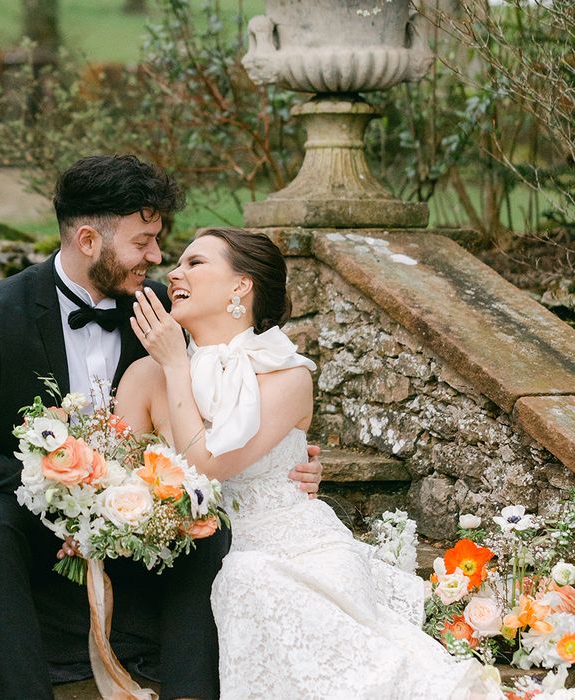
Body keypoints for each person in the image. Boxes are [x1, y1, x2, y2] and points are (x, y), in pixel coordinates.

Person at [0, 155, 323, 700]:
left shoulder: (164, 307)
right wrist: (68, 488)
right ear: (89, 240)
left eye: (159, 242)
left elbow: (231, 398)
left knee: (206, 532)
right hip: (15, 507)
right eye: (143, 243)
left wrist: (287, 460)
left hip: (135, 508)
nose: (157, 258)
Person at [115, 228, 504, 700]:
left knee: (251, 577)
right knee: (243, 575)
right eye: (178, 264)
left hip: (301, 546)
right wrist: (171, 367)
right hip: (206, 555)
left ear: (241, 286)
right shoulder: (145, 375)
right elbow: (120, 482)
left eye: (195, 263)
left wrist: (176, 365)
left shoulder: (288, 375)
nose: (174, 272)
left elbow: (206, 466)